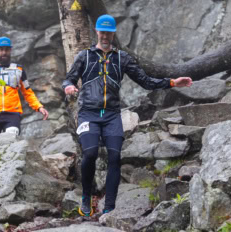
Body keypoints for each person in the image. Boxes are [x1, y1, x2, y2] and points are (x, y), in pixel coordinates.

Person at [62, 14, 192, 216]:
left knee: (115, 157)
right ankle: (86, 198)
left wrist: (173, 82)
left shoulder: (122, 58)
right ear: (97, 32)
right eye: (102, 32)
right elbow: (68, 79)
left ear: (114, 34)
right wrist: (69, 86)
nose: (105, 36)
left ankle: (109, 209)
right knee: (90, 154)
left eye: (109, 32)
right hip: (88, 113)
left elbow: (146, 81)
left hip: (112, 115)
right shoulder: (84, 56)